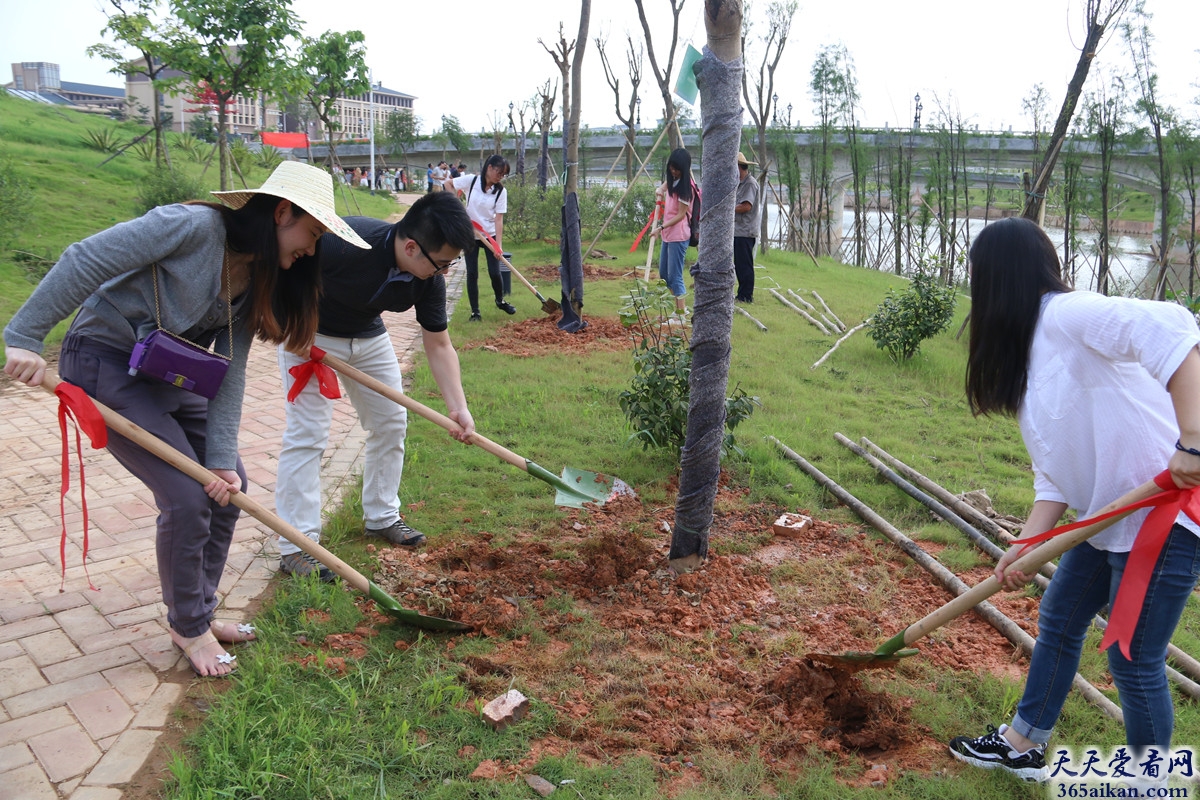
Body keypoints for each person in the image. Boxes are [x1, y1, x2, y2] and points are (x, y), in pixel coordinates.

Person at [2, 161, 370, 676]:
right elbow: (84, 258)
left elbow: (232, 372)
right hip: (104, 359)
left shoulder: (256, 273)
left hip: (168, 372)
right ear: (282, 213)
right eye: (312, 232)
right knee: (185, 496)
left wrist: (220, 460)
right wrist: (24, 335)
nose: (311, 248)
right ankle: (188, 626)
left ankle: (199, 610)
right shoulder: (191, 226)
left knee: (227, 485)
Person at [948, 217, 1200, 783]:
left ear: (996, 279)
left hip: (1165, 518)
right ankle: (1022, 744)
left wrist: (1194, 442)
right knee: (1059, 619)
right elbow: (1056, 479)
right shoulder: (1029, 359)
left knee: (1131, 657)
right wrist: (1027, 544)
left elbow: (1175, 330)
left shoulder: (1068, 313)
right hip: (1105, 520)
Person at [275, 192, 477, 579]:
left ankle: (382, 516)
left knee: (390, 422)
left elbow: (438, 343)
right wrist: (291, 327)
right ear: (412, 247)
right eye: (442, 264)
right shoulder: (345, 240)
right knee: (309, 434)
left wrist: (458, 407)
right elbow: (279, 272)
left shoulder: (428, 276)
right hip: (309, 333)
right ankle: (297, 545)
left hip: (367, 335)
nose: (444, 273)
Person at [445, 154, 514, 321]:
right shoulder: (472, 181)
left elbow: (499, 219)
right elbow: (448, 183)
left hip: (489, 235)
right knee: (472, 273)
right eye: (499, 172)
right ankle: (475, 312)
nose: (500, 177)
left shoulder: (500, 192)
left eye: (503, 174)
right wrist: (457, 206)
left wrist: (498, 246)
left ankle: (500, 300)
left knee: (494, 272)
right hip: (471, 235)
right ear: (489, 167)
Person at [651, 147, 693, 317]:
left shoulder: (686, 187)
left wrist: (660, 227)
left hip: (678, 235)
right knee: (664, 275)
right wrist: (660, 189)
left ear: (683, 168)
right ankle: (677, 306)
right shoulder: (673, 180)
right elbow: (665, 186)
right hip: (667, 235)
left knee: (675, 276)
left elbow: (681, 215)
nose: (673, 172)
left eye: (676, 169)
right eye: (671, 168)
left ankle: (681, 313)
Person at [733, 151, 759, 303]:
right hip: (738, 230)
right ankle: (742, 294)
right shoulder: (739, 183)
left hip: (745, 231)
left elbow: (746, 206)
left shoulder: (749, 183)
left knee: (744, 265)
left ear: (739, 167)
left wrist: (728, 209)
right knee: (739, 264)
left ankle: (746, 296)